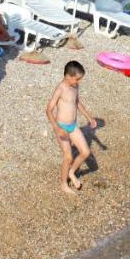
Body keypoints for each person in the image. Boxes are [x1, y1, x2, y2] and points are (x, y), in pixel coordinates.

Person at [45, 61, 98, 195]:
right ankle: (63, 184)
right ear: (68, 76)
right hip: (61, 127)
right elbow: (49, 110)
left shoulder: (75, 86)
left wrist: (89, 117)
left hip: (73, 126)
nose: (78, 81)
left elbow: (77, 102)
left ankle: (71, 171)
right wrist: (57, 128)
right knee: (68, 157)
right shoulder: (61, 89)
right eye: (77, 78)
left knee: (85, 152)